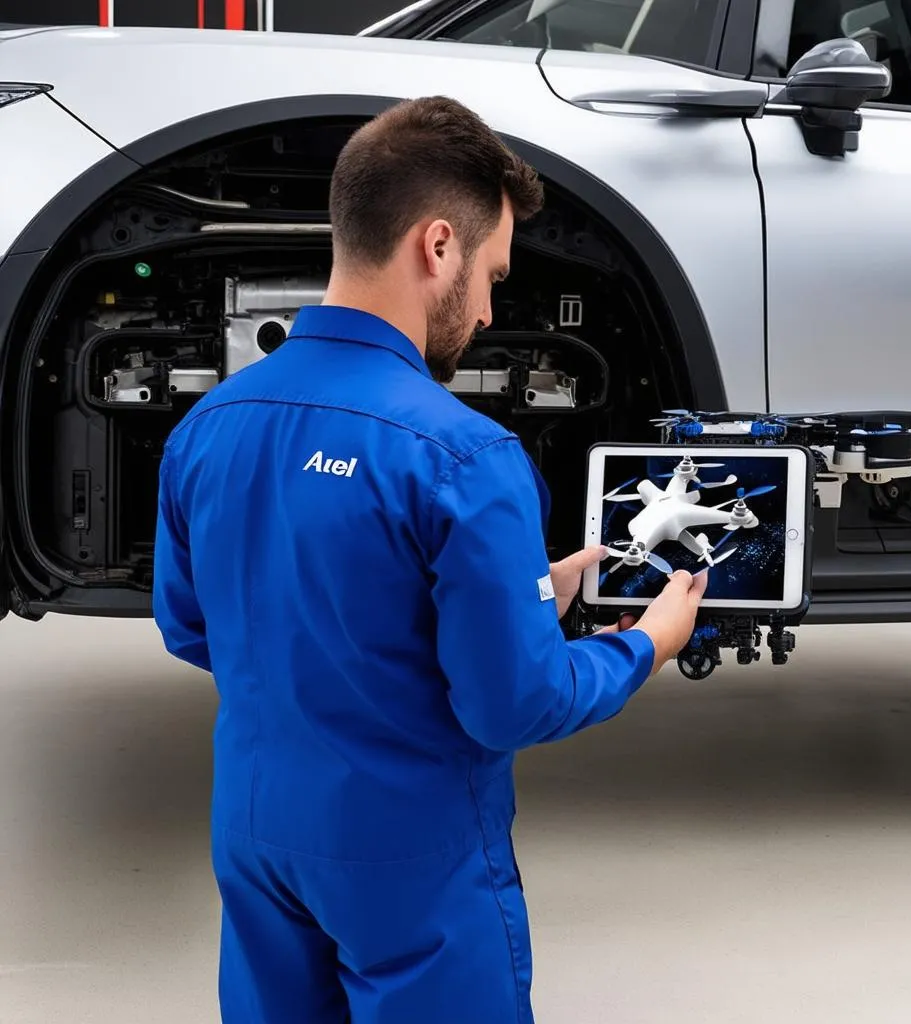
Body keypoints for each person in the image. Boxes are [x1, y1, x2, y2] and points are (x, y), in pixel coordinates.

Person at [152, 95, 707, 1024]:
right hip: (407, 852)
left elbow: (196, 628)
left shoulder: (209, 425)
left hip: (255, 836)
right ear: (437, 245)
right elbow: (513, 703)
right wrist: (646, 643)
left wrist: (534, 594)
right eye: (493, 272)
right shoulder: (467, 456)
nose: (490, 310)